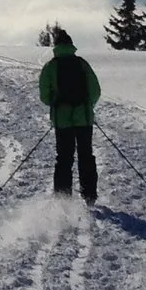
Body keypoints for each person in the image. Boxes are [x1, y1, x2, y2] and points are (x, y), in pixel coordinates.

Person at [38, 26, 100, 202]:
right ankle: (89, 195)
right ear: (72, 45)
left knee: (64, 158)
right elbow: (95, 90)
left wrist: (56, 104)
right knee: (86, 155)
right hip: (84, 119)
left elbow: (44, 96)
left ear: (56, 46)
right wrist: (87, 106)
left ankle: (63, 198)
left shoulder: (51, 66)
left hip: (62, 120)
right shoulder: (82, 63)